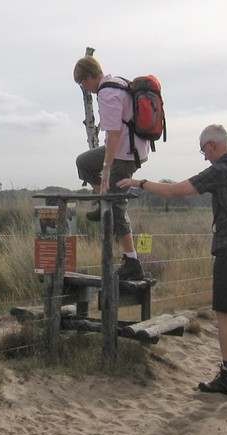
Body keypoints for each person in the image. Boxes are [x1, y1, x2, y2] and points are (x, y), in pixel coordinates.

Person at [116, 124, 227, 397]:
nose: (204, 156)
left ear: (213, 145)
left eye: (203, 150)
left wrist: (140, 183)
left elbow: (175, 191)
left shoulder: (220, 170)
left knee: (224, 313)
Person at [73, 55, 149, 281]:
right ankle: (101, 199)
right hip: (129, 148)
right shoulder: (118, 83)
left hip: (124, 154)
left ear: (89, 77)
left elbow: (114, 133)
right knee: (84, 162)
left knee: (117, 204)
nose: (84, 88)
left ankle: (132, 261)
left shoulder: (106, 93)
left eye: (82, 83)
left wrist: (107, 168)